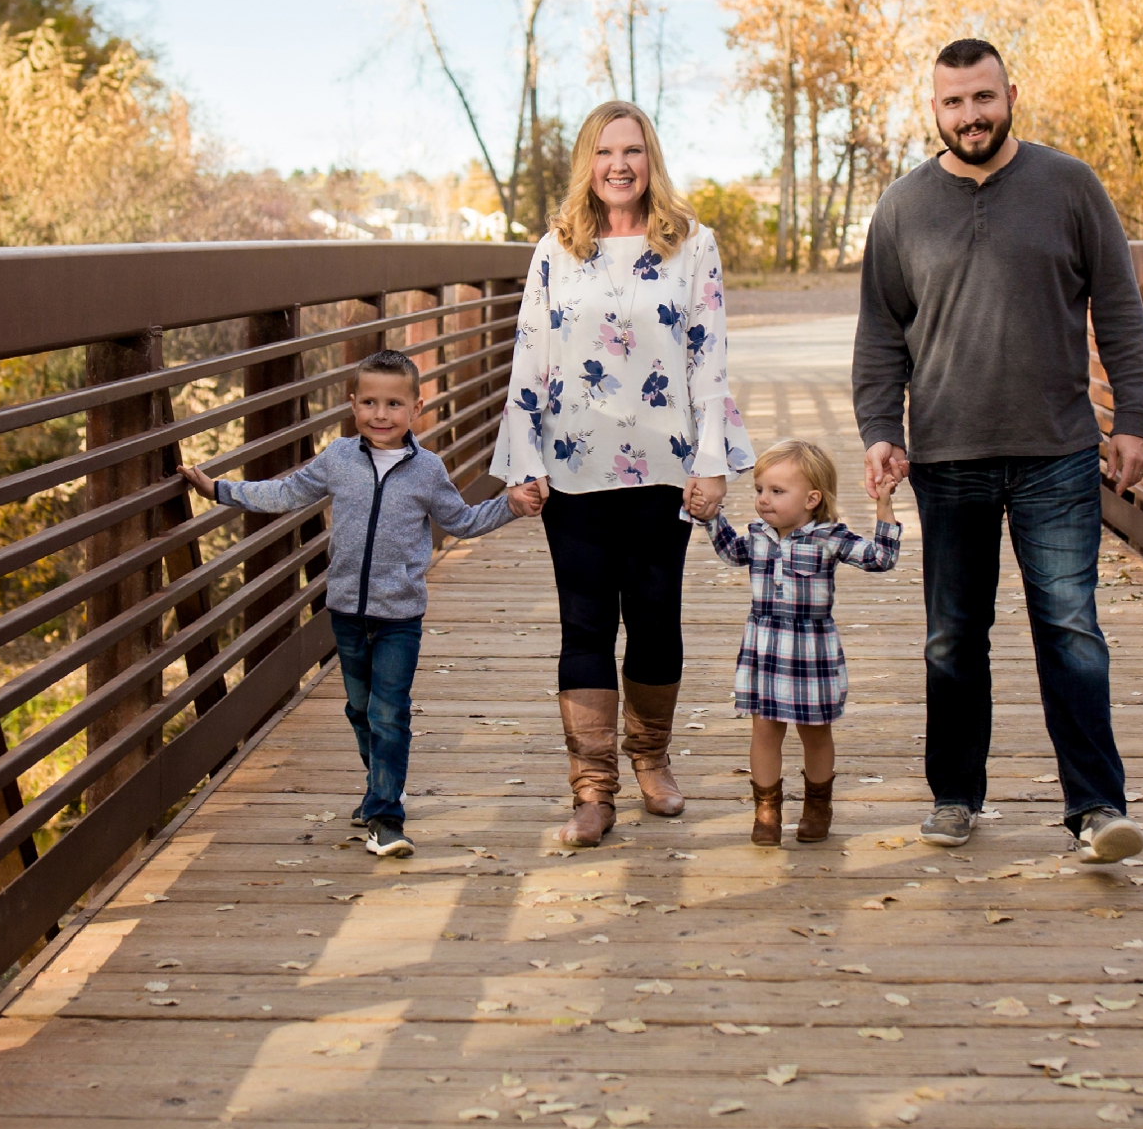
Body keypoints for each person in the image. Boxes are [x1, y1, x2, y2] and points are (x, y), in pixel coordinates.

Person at [852, 37, 1143, 860]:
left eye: (983, 98)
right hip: (948, 455)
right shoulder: (903, 207)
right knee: (953, 633)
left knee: (1070, 626)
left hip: (1058, 449)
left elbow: (1122, 310)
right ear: (934, 110)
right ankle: (956, 794)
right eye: (953, 102)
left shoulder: (1070, 186)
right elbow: (881, 336)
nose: (970, 116)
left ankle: (1097, 808)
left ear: (1011, 93)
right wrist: (882, 430)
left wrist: (1134, 418)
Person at [492, 99, 754, 848]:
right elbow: (529, 357)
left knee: (655, 619)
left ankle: (652, 760)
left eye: (633, 150)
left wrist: (712, 461)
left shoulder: (691, 244)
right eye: (606, 152)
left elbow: (709, 356)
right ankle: (593, 788)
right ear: (588, 162)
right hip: (575, 469)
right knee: (584, 624)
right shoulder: (556, 249)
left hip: (664, 468)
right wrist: (524, 459)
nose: (619, 165)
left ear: (651, 159)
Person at [183, 348, 543, 858]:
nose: (381, 414)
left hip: (400, 616)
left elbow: (460, 521)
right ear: (353, 405)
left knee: (389, 712)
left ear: (416, 409)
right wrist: (220, 489)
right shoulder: (337, 460)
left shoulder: (428, 471)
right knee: (360, 710)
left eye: (394, 404)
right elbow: (285, 493)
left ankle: (385, 816)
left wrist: (509, 505)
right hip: (347, 612)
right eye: (370, 402)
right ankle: (378, 786)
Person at [692, 439, 901, 846]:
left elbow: (880, 558)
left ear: (812, 499)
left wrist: (884, 509)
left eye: (776, 491)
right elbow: (730, 552)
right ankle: (766, 809)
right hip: (765, 647)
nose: (763, 500)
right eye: (759, 490)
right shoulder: (757, 536)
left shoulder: (828, 537)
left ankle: (817, 805)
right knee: (764, 730)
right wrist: (710, 515)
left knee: (815, 731)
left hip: (811, 652)